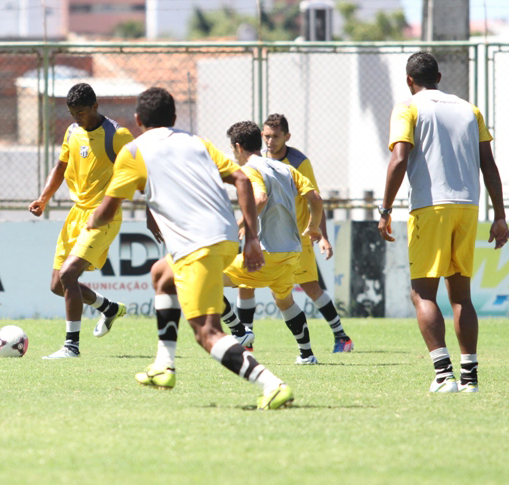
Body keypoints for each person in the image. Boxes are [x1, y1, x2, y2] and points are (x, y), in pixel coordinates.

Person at [88, 87, 293, 410]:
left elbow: (107, 210)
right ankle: (164, 365)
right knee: (162, 274)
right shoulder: (198, 142)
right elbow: (241, 181)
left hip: (197, 245)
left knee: (207, 333)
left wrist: (93, 221)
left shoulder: (134, 151)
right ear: (174, 117)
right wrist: (252, 238)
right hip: (226, 237)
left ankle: (272, 384)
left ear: (138, 120)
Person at [144, 120, 326, 372]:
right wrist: (314, 227)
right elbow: (315, 198)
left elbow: (260, 198)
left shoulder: (251, 169)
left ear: (238, 147)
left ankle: (239, 331)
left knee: (204, 278)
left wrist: (240, 225)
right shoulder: (284, 168)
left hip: (268, 252)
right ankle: (307, 354)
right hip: (291, 252)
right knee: (284, 300)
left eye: (232, 150)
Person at [377, 52, 509, 393]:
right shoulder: (469, 109)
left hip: (430, 206)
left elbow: (399, 159)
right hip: (468, 207)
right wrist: (499, 215)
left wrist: (385, 209)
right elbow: (489, 165)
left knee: (422, 293)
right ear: (438, 77)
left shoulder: (408, 107)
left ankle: (443, 375)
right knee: (461, 295)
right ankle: (470, 379)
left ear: (409, 80)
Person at [29, 83, 134, 359]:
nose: (77, 118)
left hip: (103, 215)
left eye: (82, 113)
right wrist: (43, 198)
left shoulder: (117, 135)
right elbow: (61, 166)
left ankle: (71, 347)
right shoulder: (72, 132)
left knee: (68, 274)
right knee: (57, 285)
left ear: (95, 106)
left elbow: (139, 171)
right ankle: (109, 308)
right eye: (72, 113)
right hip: (77, 213)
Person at [235, 113, 352, 353]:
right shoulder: (260, 160)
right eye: (267, 136)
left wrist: (321, 235)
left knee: (310, 287)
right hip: (268, 239)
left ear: (287, 137)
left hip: (297, 237)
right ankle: (247, 342)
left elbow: (315, 199)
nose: (270, 142)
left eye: (276, 137)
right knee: (246, 285)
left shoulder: (298, 163)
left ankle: (341, 336)